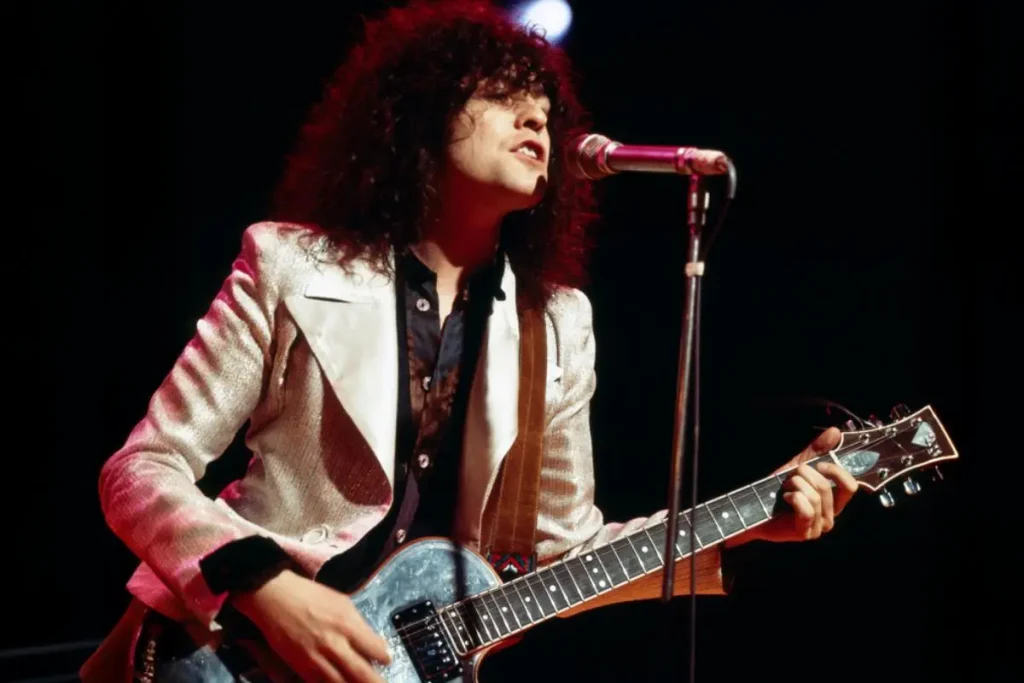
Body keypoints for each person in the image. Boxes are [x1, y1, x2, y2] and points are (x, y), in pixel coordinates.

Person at [83, 2, 860, 681]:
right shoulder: (288, 264)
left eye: (546, 111)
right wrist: (266, 585)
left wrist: (755, 520)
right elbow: (141, 468)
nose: (537, 121)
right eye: (503, 98)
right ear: (420, 119)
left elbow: (564, 555)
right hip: (219, 649)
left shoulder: (556, 325)